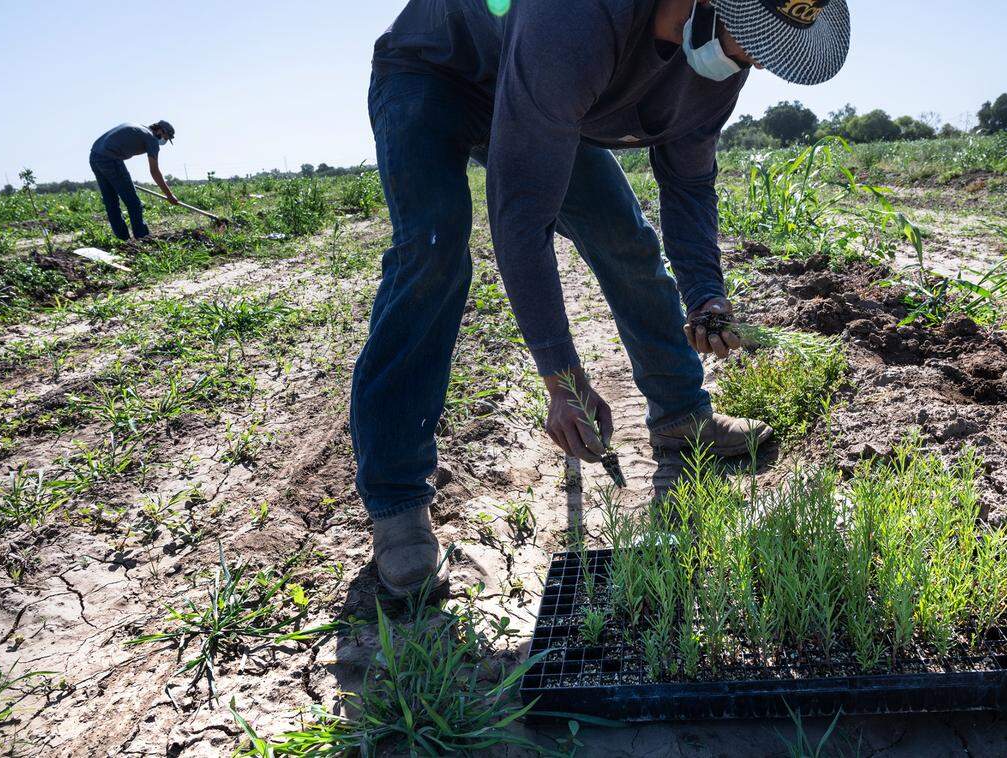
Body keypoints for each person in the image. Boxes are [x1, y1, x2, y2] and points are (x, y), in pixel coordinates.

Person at [352, 0, 851, 597]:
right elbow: (520, 220)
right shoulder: (573, 21)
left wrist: (707, 296)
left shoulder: (719, 71)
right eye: (751, 40)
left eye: (770, 47)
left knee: (625, 239)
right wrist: (562, 379)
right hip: (438, 73)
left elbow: (689, 182)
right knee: (433, 251)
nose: (757, 63)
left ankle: (683, 418)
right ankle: (397, 500)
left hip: (550, 94)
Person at [89, 121, 179, 241]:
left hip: (95, 156)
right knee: (134, 203)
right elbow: (154, 171)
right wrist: (169, 195)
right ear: (160, 131)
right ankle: (143, 238)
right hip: (110, 159)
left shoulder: (140, 128)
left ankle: (123, 240)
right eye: (165, 138)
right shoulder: (152, 139)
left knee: (111, 202)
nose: (164, 141)